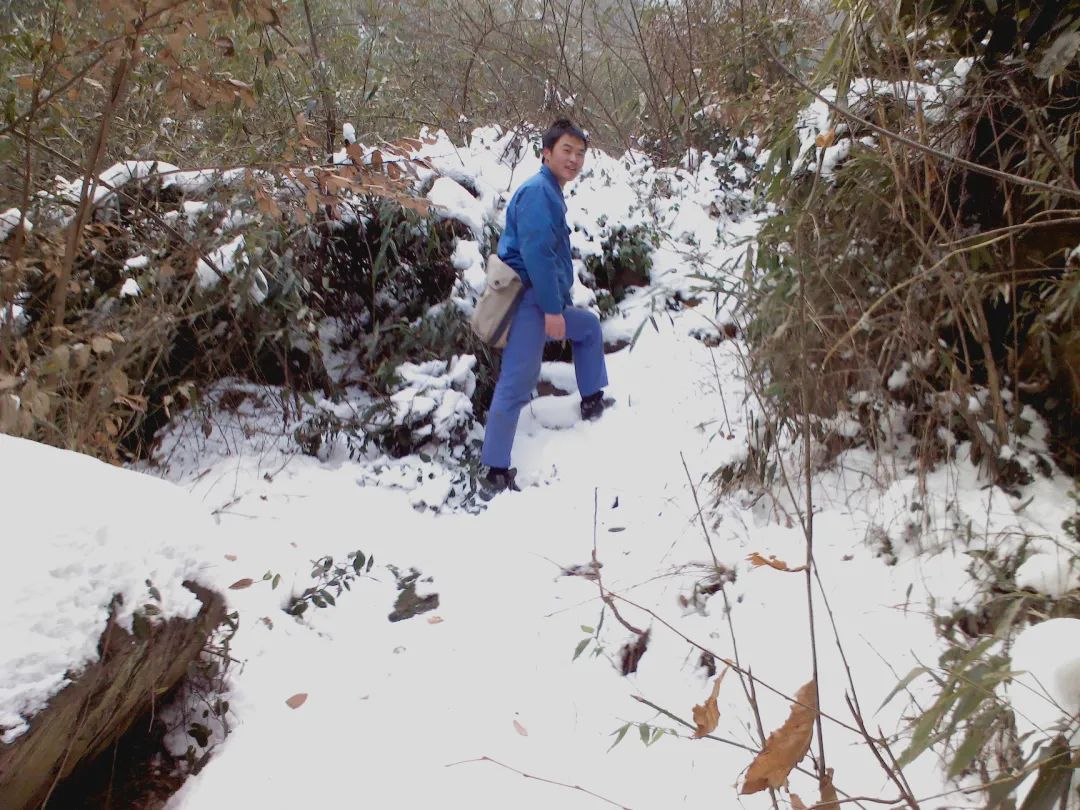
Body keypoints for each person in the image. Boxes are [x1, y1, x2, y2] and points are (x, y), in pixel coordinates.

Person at [479, 119, 612, 500]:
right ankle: (494, 472)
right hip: (529, 302)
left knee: (587, 328)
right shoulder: (539, 193)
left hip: (542, 300)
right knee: (517, 382)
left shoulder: (550, 190)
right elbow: (537, 255)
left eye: (580, 153)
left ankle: (592, 400)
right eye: (566, 150)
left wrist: (558, 304)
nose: (574, 159)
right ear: (546, 153)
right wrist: (553, 311)